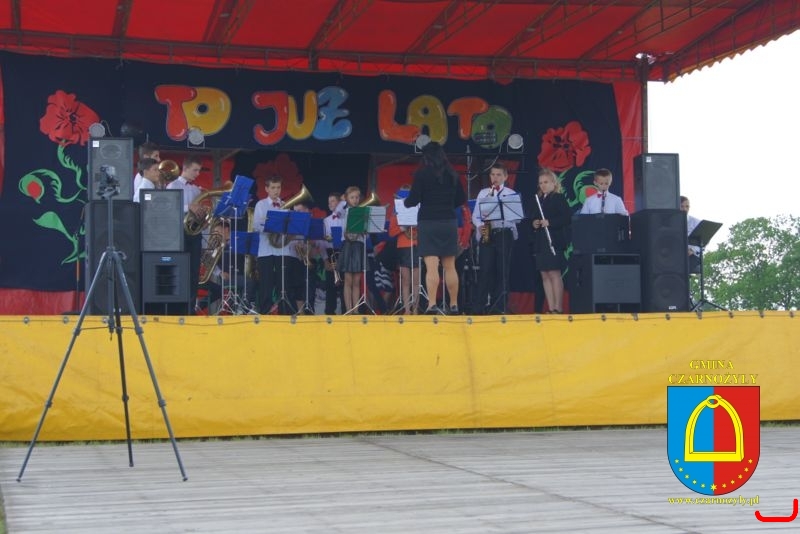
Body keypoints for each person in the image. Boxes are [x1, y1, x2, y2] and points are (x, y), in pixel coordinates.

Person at [403, 142, 466, 315]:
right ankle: (454, 304)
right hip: (448, 222)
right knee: (450, 266)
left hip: (428, 222)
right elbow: (461, 199)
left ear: (426, 157)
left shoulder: (422, 174)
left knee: (431, 266)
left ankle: (431, 304)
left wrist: (406, 202)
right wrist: (447, 204)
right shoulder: (452, 174)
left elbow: (413, 199)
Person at [471, 163, 518, 314]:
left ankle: (499, 307)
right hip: (487, 230)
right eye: (492, 174)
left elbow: (517, 218)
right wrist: (479, 225)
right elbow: (475, 215)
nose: (495, 177)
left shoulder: (510, 194)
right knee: (485, 269)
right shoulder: (483, 193)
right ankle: (479, 307)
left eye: (498, 175)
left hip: (504, 231)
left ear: (505, 177)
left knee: (502, 269)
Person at [166, 156, 204, 310]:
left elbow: (199, 211)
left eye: (199, 171)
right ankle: (177, 308)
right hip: (179, 233)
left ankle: (190, 307)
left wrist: (202, 214)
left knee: (194, 271)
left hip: (194, 232)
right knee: (179, 269)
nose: (197, 174)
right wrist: (189, 207)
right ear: (185, 168)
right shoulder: (173, 185)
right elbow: (169, 208)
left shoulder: (196, 190)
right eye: (195, 170)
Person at [532, 168, 571, 314]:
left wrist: (550, 222)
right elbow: (534, 217)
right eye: (541, 183)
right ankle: (550, 307)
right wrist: (534, 223)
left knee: (554, 273)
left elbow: (567, 218)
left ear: (554, 183)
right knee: (544, 274)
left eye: (546, 182)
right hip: (541, 241)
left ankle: (558, 308)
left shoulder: (558, 198)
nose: (543, 185)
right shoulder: (539, 199)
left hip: (554, 241)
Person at [252, 177, 291, 314]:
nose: (276, 191)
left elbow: (290, 226)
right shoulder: (261, 204)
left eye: (278, 187)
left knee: (283, 283)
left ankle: (284, 312)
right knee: (266, 283)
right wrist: (271, 225)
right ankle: (265, 312)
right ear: (266, 189)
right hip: (266, 250)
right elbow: (256, 225)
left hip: (282, 250)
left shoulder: (285, 205)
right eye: (273, 187)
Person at [388, 187, 420, 315]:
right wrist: (402, 228)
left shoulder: (418, 210)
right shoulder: (396, 213)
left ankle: (416, 309)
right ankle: (407, 310)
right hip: (402, 247)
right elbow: (391, 233)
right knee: (405, 280)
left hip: (416, 245)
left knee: (416, 281)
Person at [338, 186, 365, 313]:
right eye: (352, 197)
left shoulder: (362, 212)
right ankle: (348, 309)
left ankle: (356, 309)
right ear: (347, 198)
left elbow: (366, 232)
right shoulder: (344, 211)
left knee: (356, 281)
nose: (355, 200)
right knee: (348, 280)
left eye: (357, 197)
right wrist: (343, 200)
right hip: (348, 245)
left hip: (358, 245)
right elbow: (338, 210)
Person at [323, 192, 345, 314]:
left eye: (333, 201)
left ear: (339, 203)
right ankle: (329, 312)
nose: (330, 204)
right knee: (330, 286)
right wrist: (326, 260)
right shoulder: (326, 220)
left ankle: (345, 311)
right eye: (329, 202)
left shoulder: (345, 218)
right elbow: (322, 242)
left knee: (344, 284)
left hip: (343, 252)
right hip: (330, 253)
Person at [681, 195, 702, 274]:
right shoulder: (670, 223)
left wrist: (693, 250)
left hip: (692, 256)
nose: (685, 209)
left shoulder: (696, 222)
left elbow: (704, 240)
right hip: (675, 254)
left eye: (687, 206)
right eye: (682, 206)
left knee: (682, 268)